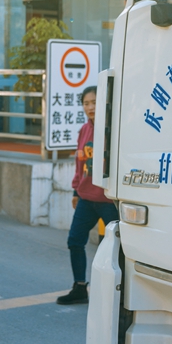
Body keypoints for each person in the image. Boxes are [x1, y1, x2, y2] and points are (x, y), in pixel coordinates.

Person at [57, 85, 118, 307]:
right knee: (75, 241)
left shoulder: (113, 128)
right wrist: (75, 190)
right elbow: (79, 163)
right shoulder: (84, 130)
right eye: (86, 103)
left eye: (94, 102)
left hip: (109, 201)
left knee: (116, 250)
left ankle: (115, 293)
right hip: (86, 198)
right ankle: (80, 287)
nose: (90, 107)